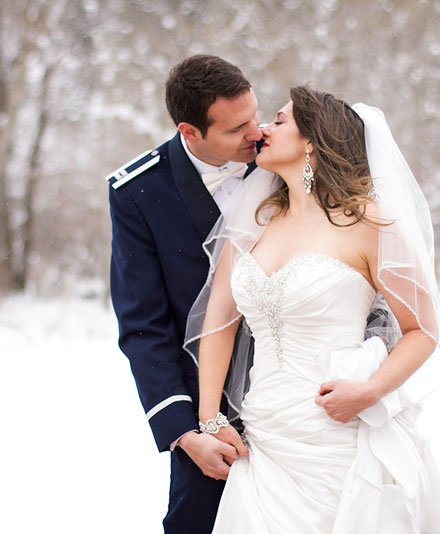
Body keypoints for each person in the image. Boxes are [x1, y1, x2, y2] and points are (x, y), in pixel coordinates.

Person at [185, 85, 440, 533]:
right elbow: (219, 321)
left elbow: (422, 330)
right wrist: (210, 418)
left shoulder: (369, 222)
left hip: (336, 435)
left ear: (312, 141)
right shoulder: (254, 221)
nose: (264, 129)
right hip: (264, 437)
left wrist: (370, 392)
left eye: (280, 119)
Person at [107, 55, 263, 534]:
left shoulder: (289, 162)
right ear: (190, 131)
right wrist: (184, 432)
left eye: (256, 114)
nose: (256, 133)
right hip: (208, 414)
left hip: (298, 394)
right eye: (237, 128)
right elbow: (143, 326)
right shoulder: (137, 191)